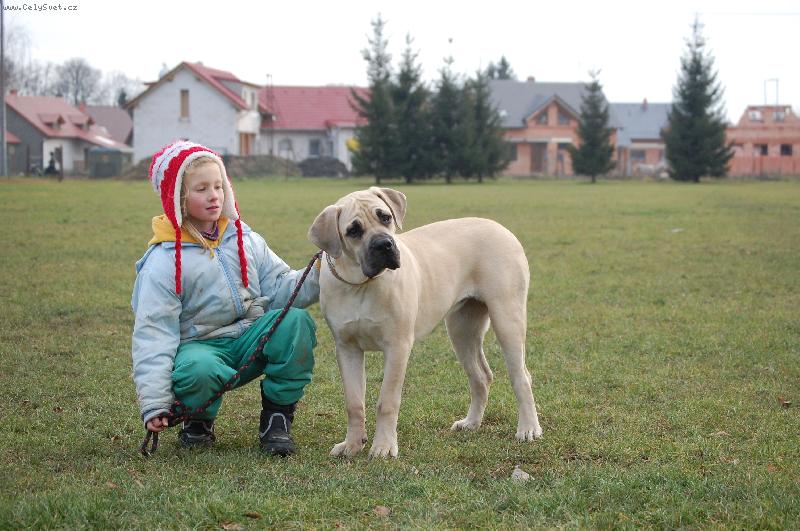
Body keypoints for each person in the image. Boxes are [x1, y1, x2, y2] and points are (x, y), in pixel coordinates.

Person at [131, 140, 319, 456]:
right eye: (201, 188)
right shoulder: (162, 262)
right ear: (178, 197)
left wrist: (324, 271)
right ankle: (198, 421)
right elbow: (153, 333)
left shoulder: (245, 238)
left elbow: (281, 289)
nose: (214, 195)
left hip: (249, 339)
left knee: (295, 321)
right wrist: (154, 403)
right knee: (198, 369)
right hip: (199, 349)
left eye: (218, 186)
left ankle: (276, 420)